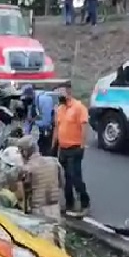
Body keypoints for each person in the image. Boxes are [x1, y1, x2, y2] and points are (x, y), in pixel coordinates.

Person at [52, 82, 90, 217]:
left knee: (75, 177)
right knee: (65, 178)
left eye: (60, 93)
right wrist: (53, 146)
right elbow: (57, 128)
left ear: (68, 92)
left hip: (75, 148)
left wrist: (82, 146)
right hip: (63, 148)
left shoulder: (79, 107)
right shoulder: (60, 109)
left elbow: (84, 128)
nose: (59, 96)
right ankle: (69, 204)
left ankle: (85, 203)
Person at [16, 135, 64, 221]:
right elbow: (61, 184)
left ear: (25, 152)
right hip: (55, 210)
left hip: (38, 213)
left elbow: (21, 197)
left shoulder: (27, 170)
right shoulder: (54, 162)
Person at [23, 86, 55, 156]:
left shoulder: (44, 100)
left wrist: (34, 122)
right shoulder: (32, 101)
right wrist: (26, 134)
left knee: (45, 154)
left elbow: (47, 121)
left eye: (27, 97)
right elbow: (28, 119)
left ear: (31, 95)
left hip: (47, 132)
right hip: (38, 132)